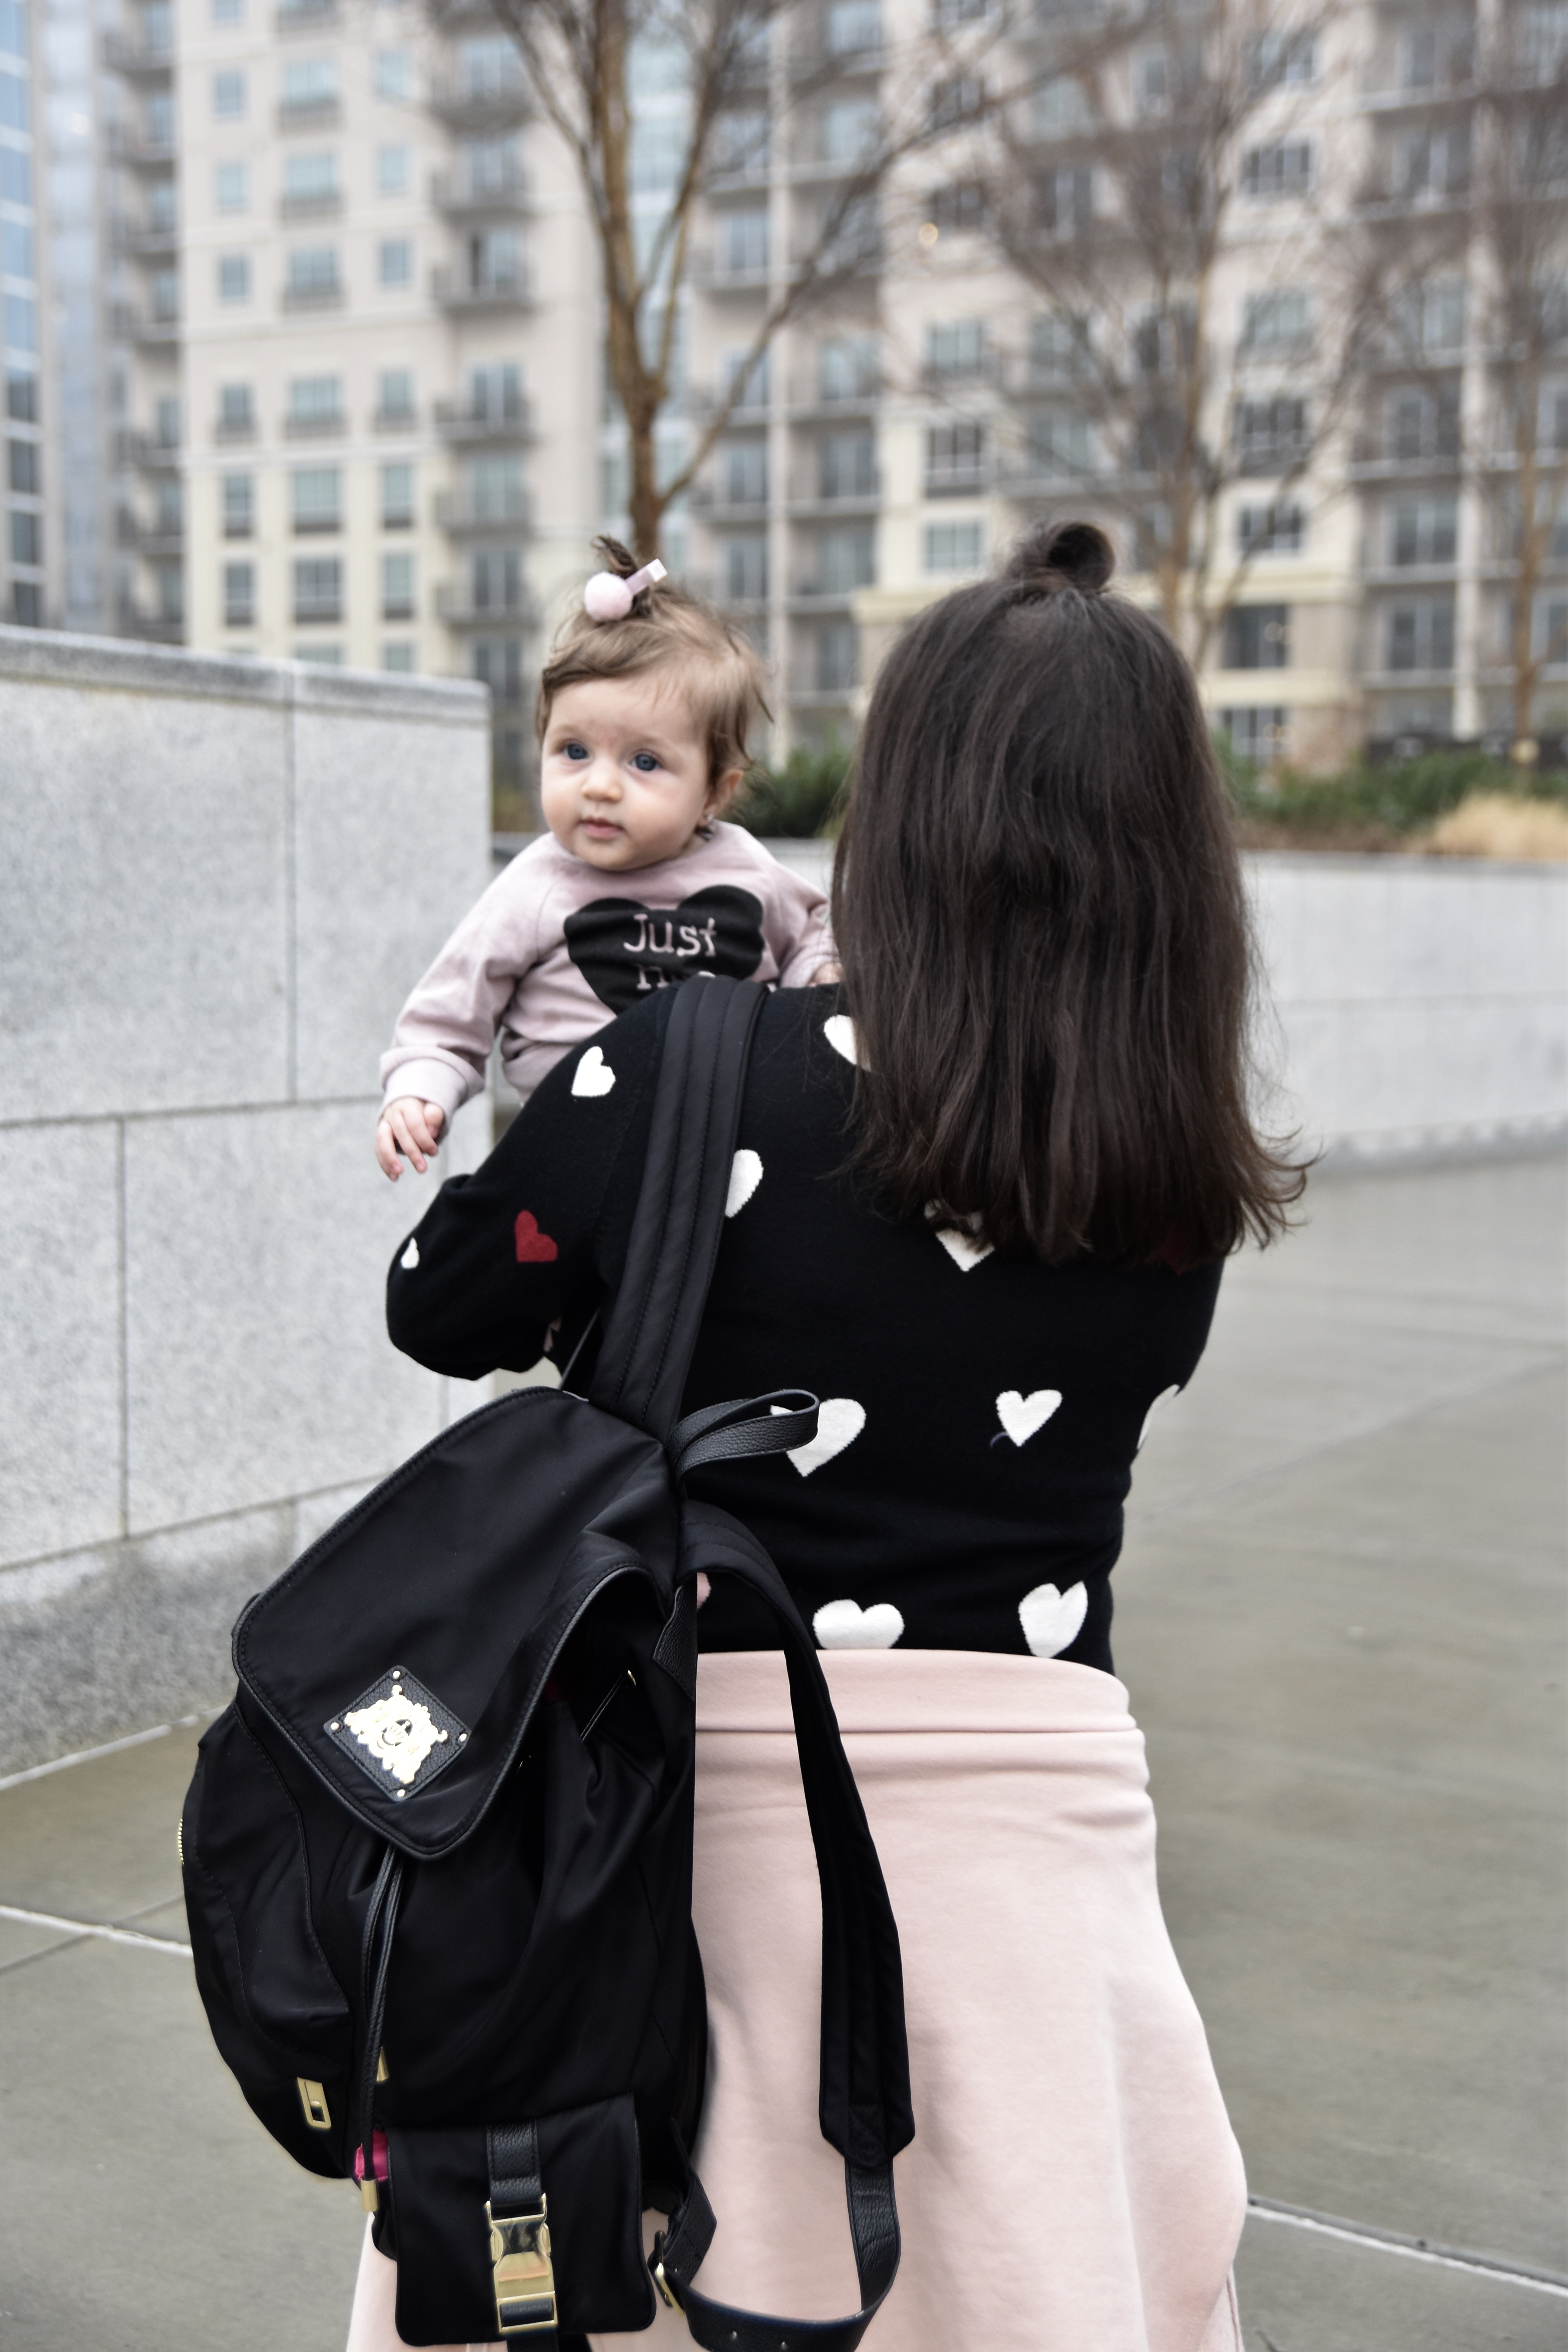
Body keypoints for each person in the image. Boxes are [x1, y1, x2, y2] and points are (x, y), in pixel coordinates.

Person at [356, 519, 1304, 2352]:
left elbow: (438, 1300)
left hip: (683, 1857)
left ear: (897, 815)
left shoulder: (682, 1066)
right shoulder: (1167, 1176)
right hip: (1043, 1896)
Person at [375, 540, 833, 1183]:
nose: (600, 786)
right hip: (574, 1155)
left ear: (714, 794)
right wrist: (420, 1090)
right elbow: (451, 1008)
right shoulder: (538, 884)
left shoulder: (747, 872)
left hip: (725, 1152)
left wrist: (819, 979)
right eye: (573, 751)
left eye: (644, 762)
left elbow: (810, 940)